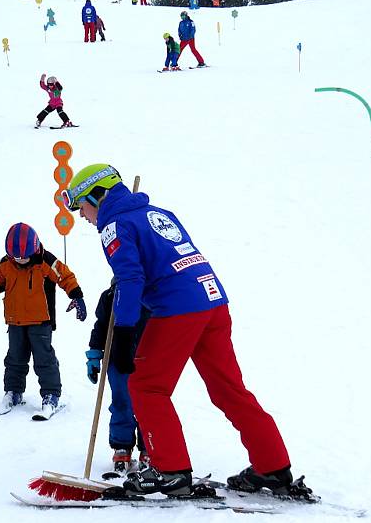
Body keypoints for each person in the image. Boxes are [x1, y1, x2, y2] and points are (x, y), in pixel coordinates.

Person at [62, 163, 301, 498]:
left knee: (145, 386)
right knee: (229, 390)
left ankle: (169, 470)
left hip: (178, 308)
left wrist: (126, 332)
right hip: (213, 302)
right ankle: (273, 466)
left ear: (97, 196)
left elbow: (130, 280)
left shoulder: (114, 225)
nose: (82, 216)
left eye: (81, 207)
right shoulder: (158, 213)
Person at [0, 223, 87, 415]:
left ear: (34, 248)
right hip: (15, 320)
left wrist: (76, 296)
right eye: (16, 258)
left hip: (41, 321)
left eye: (24, 257)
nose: (20, 261)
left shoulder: (45, 261)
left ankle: (51, 395)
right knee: (14, 359)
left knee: (44, 359)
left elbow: (65, 276)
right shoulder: (6, 263)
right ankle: (13, 392)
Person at [87, 281, 151, 474]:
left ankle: (150, 448)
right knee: (121, 403)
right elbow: (100, 326)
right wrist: (95, 355)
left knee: (148, 405)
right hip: (116, 360)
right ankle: (121, 447)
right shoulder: (110, 296)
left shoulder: (153, 296)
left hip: (148, 360)